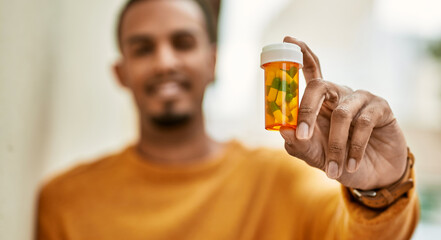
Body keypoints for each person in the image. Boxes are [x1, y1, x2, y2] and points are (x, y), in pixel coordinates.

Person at [36, 0, 419, 239]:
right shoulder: (65, 201)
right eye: (143, 48)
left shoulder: (282, 183)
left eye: (183, 43)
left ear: (213, 63)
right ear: (120, 72)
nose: (165, 61)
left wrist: (382, 187)